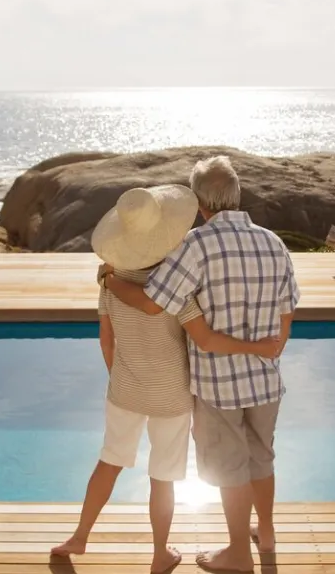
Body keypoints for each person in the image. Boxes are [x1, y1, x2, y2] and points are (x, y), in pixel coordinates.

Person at [51, 184, 281, 574]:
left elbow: (107, 341)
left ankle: (79, 536)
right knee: (163, 478)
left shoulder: (108, 282)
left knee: (109, 463)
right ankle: (161, 554)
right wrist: (260, 347)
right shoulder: (180, 291)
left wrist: (123, 376)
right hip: (172, 396)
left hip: (124, 390)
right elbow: (204, 339)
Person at [102, 156, 299, 573]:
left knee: (229, 467)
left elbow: (153, 304)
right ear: (237, 194)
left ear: (198, 201)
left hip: (218, 384)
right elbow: (285, 320)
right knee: (261, 457)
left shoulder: (196, 245)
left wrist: (112, 281)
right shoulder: (273, 242)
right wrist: (264, 348)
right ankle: (264, 533)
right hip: (265, 381)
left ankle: (239, 555)